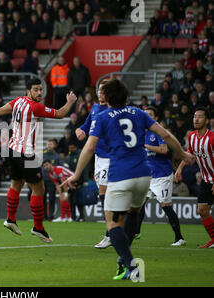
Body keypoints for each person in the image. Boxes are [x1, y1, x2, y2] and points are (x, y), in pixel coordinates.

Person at [65, 79, 194, 281]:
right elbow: (166, 134)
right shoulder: (139, 113)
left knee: (113, 225)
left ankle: (130, 266)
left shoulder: (102, 116)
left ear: (106, 98)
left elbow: (89, 147)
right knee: (133, 213)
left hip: (120, 176)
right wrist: (183, 153)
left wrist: (75, 174)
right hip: (144, 175)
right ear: (126, 97)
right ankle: (124, 262)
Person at [0, 78, 77, 243]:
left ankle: (10, 219)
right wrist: (70, 102)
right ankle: (38, 227)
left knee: (16, 184)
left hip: (12, 150)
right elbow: (60, 114)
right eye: (36, 90)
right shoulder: (35, 107)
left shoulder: (18, 101)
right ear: (28, 91)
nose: (39, 93)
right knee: (39, 189)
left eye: (41, 89)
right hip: (26, 153)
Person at [135, 106, 186, 247]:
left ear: (156, 118)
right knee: (139, 204)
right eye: (146, 115)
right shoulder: (141, 133)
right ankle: (135, 232)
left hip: (162, 175)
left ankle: (179, 237)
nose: (147, 117)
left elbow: (164, 150)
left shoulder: (159, 133)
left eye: (150, 115)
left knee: (165, 206)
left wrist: (147, 146)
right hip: (148, 176)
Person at [75, 79, 111, 248]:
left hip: (111, 158)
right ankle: (115, 231)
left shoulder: (113, 110)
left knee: (105, 197)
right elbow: (87, 124)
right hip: (99, 158)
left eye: (104, 90)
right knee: (105, 197)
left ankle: (110, 234)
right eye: (99, 89)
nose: (100, 93)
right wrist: (80, 129)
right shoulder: (96, 108)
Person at [175, 107, 214, 248]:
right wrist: (179, 169)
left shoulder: (212, 138)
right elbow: (189, 154)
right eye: (195, 116)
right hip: (206, 179)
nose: (196, 119)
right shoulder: (191, 136)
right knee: (202, 210)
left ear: (207, 121)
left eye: (200, 117)